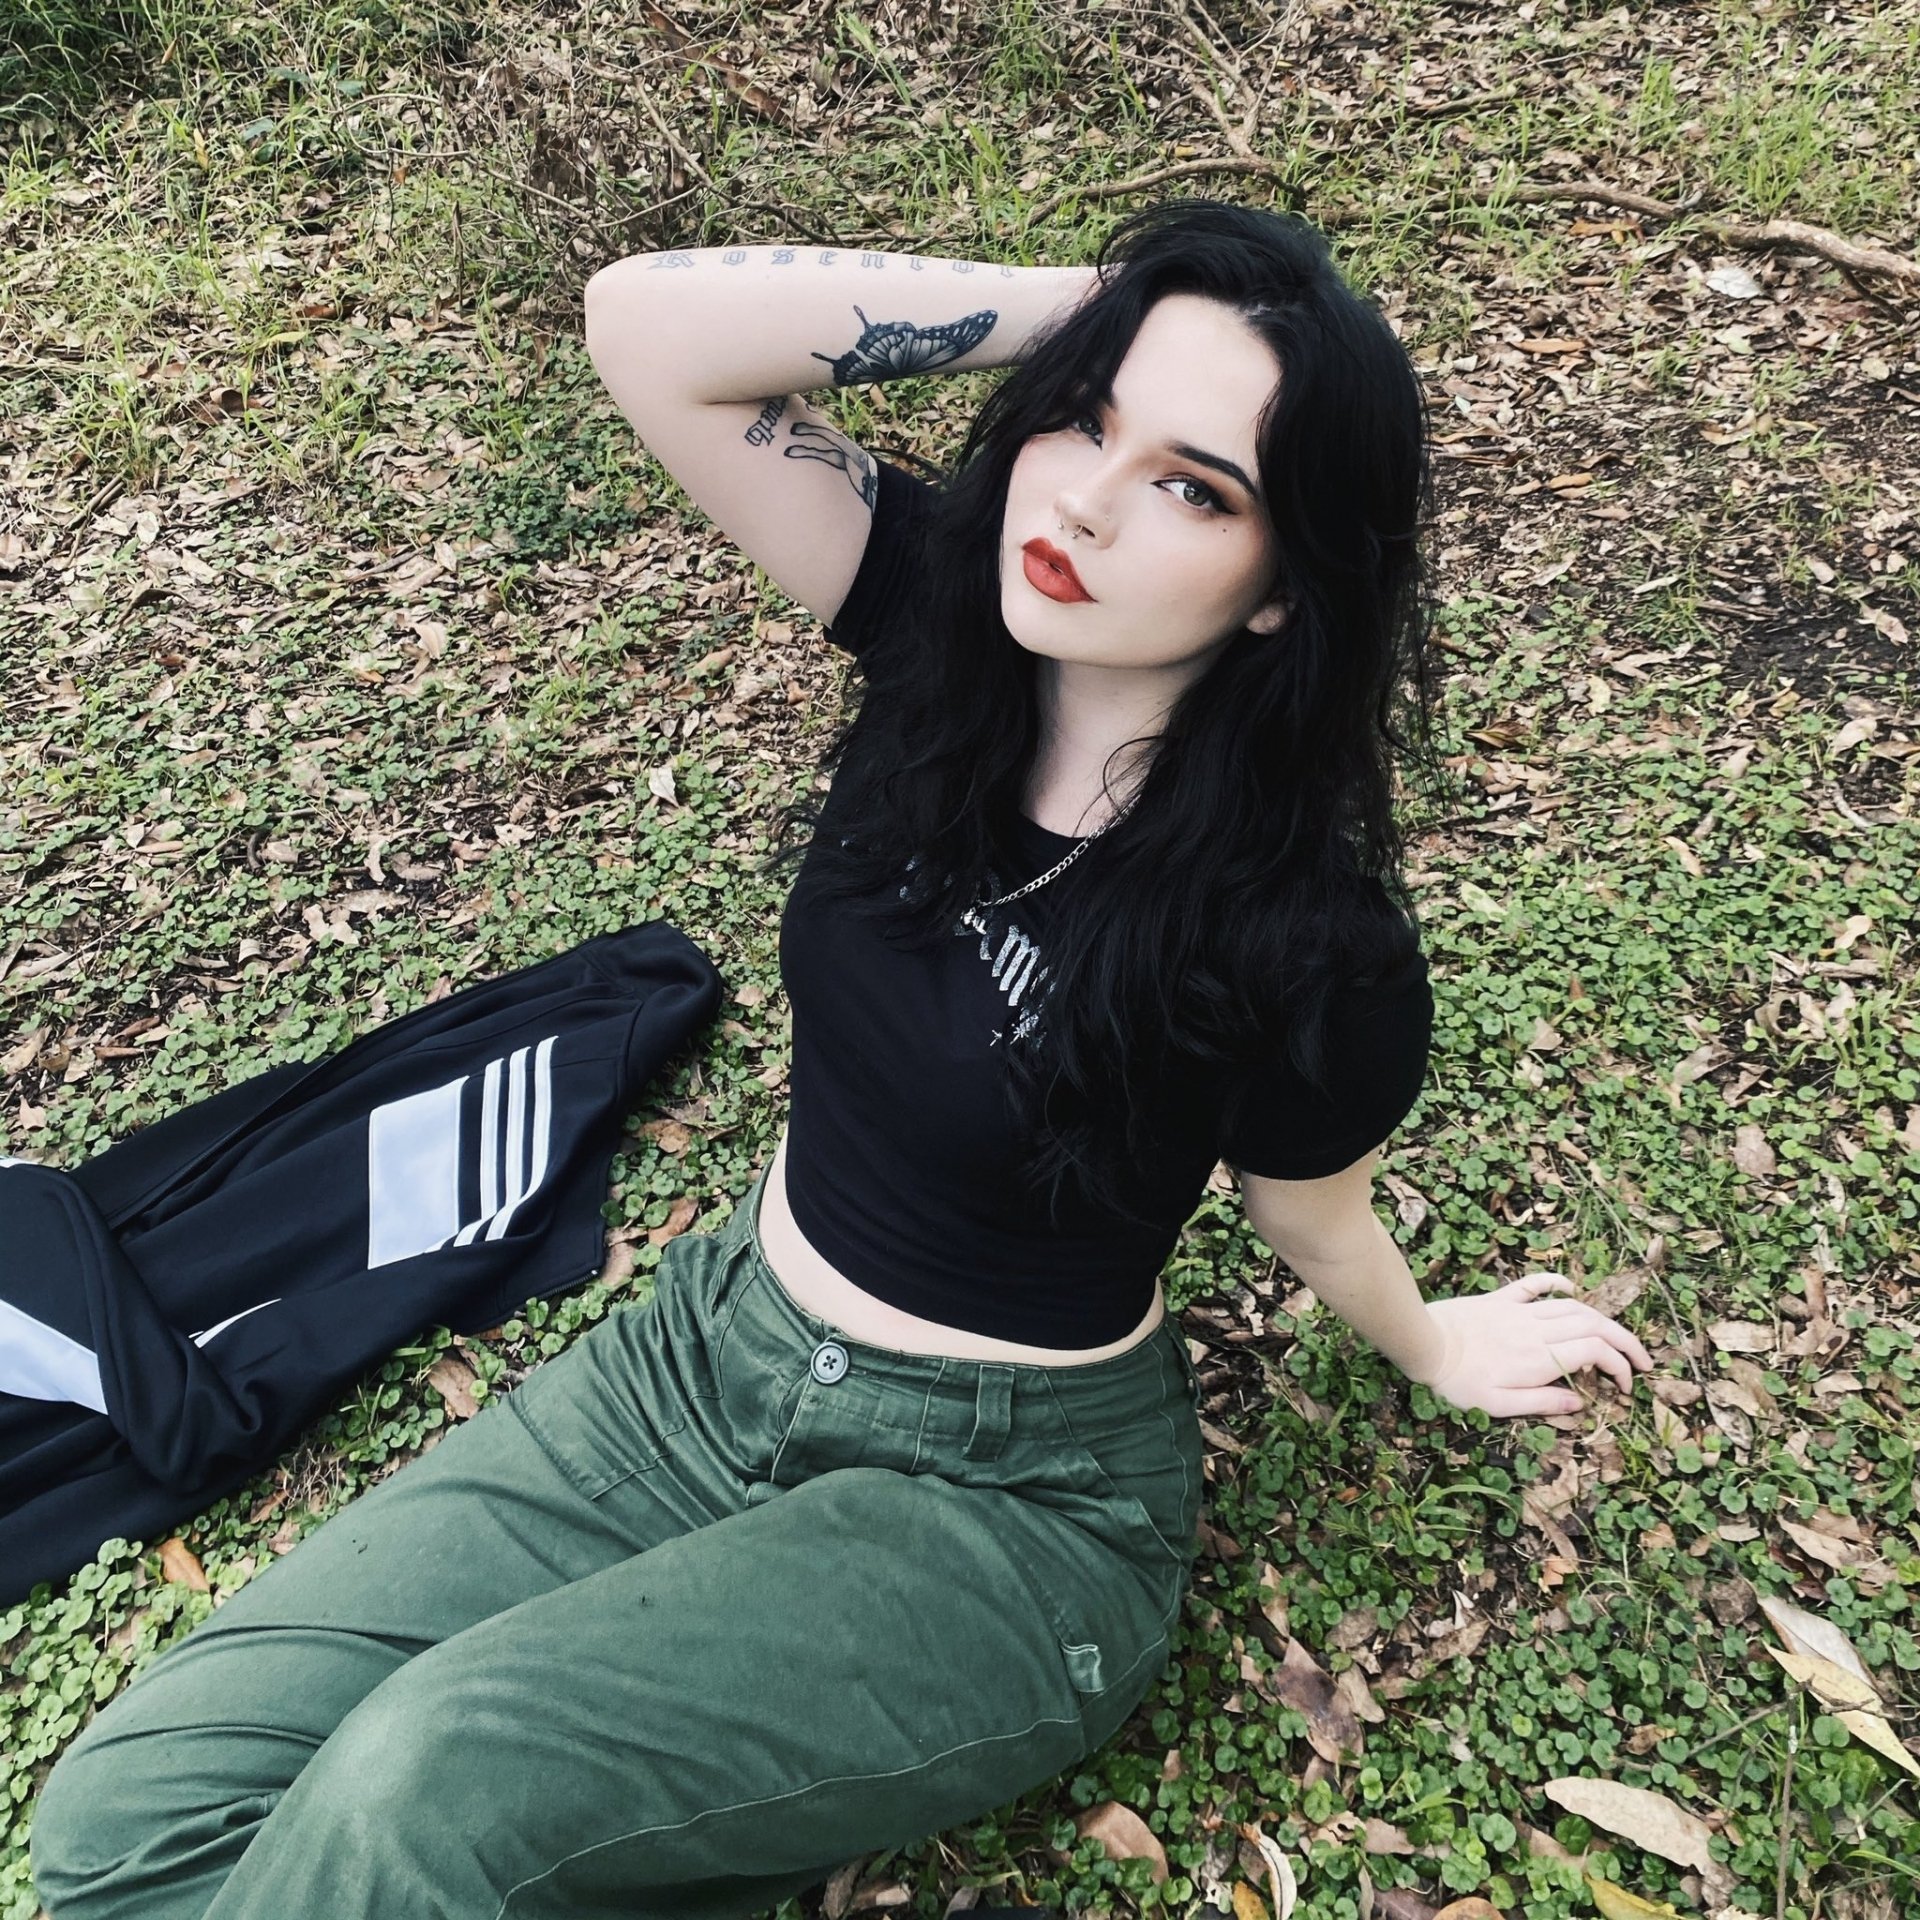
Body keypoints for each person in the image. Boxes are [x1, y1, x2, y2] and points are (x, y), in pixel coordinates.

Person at [30, 199, 1652, 1920]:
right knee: (127, 1818)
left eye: (1195, 488)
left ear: (1281, 590)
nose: (1085, 504)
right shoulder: (940, 632)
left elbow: (1310, 1212)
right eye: (1086, 420)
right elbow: (646, 327)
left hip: (1008, 1506)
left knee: (413, 1792)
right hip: (703, 1360)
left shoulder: (1305, 940)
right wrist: (1102, 308)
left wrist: (1434, 1344)